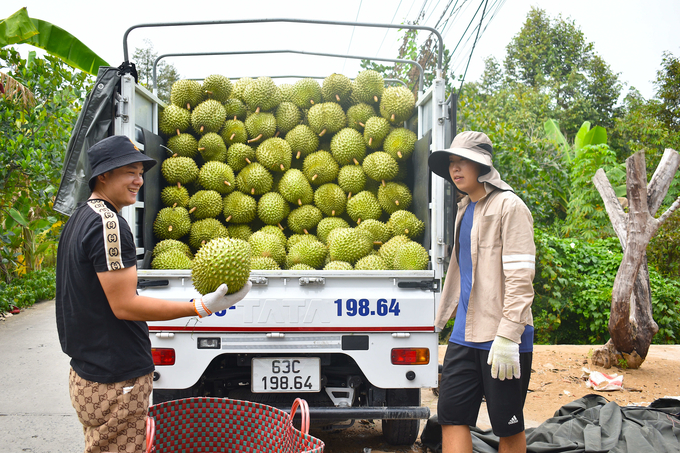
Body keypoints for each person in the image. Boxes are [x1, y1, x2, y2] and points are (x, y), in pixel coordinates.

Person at [55, 135, 252, 452]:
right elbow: (125, 305)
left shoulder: (79, 217)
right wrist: (198, 307)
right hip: (115, 378)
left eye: (140, 172)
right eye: (129, 172)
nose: (138, 180)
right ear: (103, 175)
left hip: (88, 374)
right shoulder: (110, 224)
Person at [428, 131, 535, 453]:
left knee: (507, 424)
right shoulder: (465, 209)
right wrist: (438, 323)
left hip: (501, 336)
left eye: (464, 162)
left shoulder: (509, 206)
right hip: (464, 334)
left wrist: (508, 336)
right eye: (451, 163)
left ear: (483, 166)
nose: (455, 169)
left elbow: (521, 278)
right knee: (451, 415)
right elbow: (460, 275)